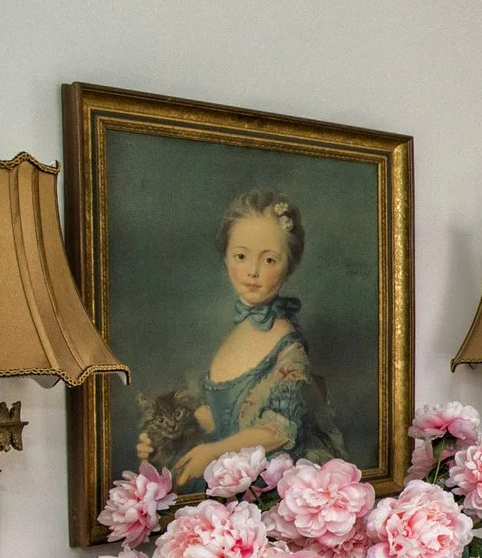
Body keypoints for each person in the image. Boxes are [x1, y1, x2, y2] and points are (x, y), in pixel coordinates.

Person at [141, 190, 344, 483]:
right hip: (226, 473)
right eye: (240, 256)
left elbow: (279, 431)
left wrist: (213, 452)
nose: (252, 271)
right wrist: (162, 440)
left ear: (290, 266)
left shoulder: (289, 347)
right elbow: (224, 416)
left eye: (270, 260)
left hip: (270, 481)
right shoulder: (240, 330)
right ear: (226, 259)